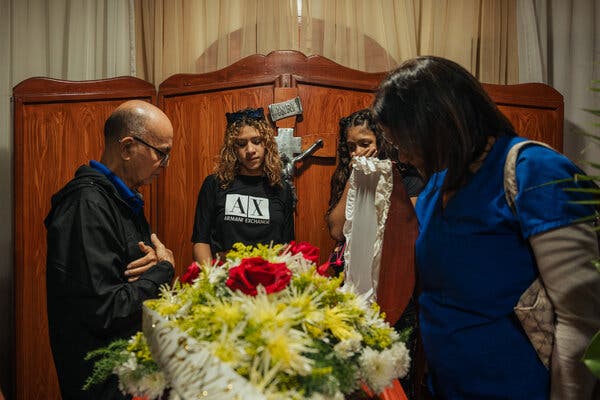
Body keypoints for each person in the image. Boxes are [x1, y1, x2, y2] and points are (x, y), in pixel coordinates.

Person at [373, 56, 600, 399]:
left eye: (405, 142)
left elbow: (581, 318)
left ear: (438, 124)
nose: (402, 157)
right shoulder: (437, 185)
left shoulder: (536, 170)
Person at [45, 100, 176, 399]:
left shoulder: (120, 199)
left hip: (128, 373)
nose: (165, 166)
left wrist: (156, 266)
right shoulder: (86, 205)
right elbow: (106, 310)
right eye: (161, 153)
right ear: (128, 147)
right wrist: (163, 270)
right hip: (103, 384)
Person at [325, 108, 423, 399]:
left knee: (394, 374)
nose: (357, 152)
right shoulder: (350, 176)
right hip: (354, 288)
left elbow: (410, 232)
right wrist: (355, 182)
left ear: (382, 140)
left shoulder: (410, 180)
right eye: (351, 147)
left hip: (395, 291)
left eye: (364, 143)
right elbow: (335, 229)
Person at [192, 107, 295, 265]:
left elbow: (287, 246)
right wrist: (211, 279)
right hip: (224, 281)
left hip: (269, 282)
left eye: (256, 141)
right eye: (241, 144)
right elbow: (201, 241)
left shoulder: (281, 188)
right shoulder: (214, 184)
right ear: (233, 149)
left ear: (266, 143)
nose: (250, 150)